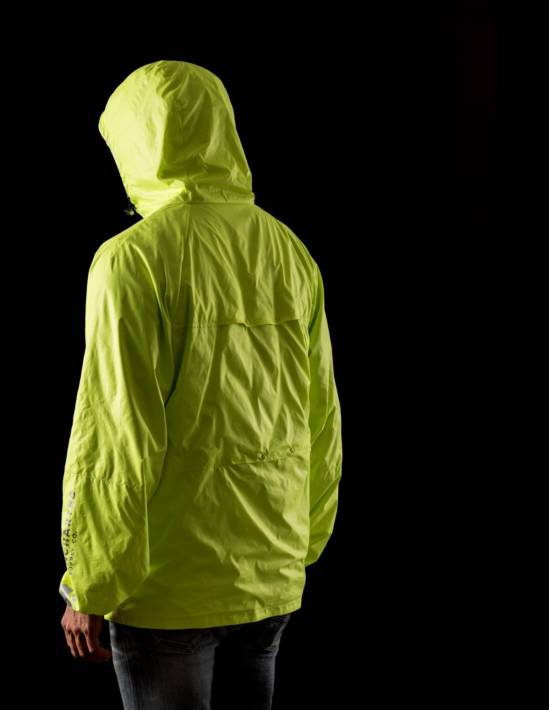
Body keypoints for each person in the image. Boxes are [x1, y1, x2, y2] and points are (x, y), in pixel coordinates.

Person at [59, 59, 343, 709]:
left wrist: (91, 584)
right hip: (269, 572)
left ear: (137, 140)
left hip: (168, 591)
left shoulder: (131, 260)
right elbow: (322, 415)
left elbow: (116, 437)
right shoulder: (289, 251)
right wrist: (302, 543)